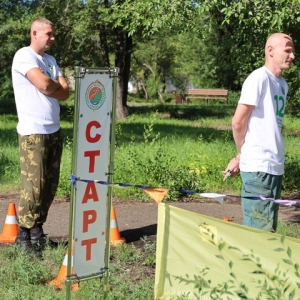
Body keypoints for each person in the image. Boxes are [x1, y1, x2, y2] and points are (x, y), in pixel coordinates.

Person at [223, 33, 295, 232]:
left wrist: (240, 155)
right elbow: (238, 121)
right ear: (270, 51)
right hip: (258, 169)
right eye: (288, 50)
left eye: (293, 52)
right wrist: (242, 155)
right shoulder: (259, 78)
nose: (292, 56)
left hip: (275, 166)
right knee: (258, 235)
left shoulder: (282, 84)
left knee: (268, 231)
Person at [11, 17, 69, 256]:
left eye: (53, 34)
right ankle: (22, 236)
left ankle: (37, 232)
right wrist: (53, 85)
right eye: (49, 34)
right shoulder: (24, 56)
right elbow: (46, 85)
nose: (53, 38)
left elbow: (65, 92)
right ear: (34, 33)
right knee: (34, 186)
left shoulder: (50, 60)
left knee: (50, 186)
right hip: (33, 132)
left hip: (54, 130)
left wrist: (54, 86)